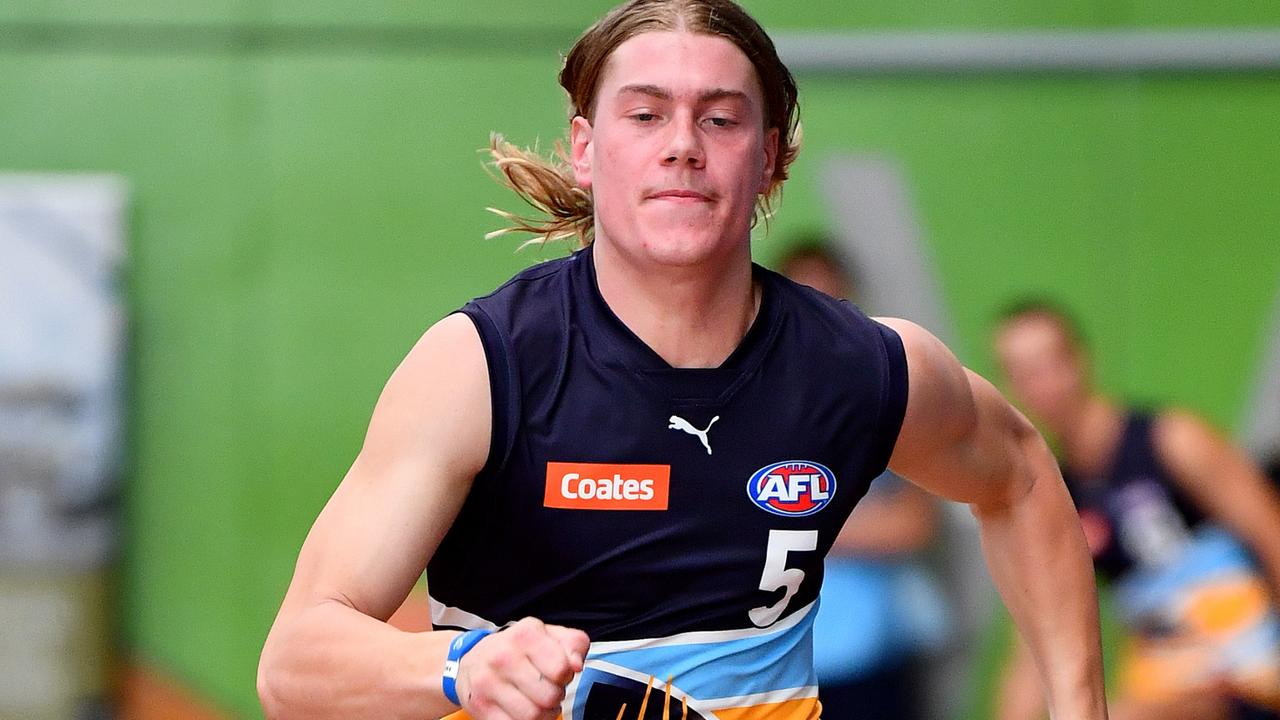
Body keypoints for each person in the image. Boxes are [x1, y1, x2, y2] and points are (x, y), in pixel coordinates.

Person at [257, 3, 1108, 720]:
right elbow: (294, 661)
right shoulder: (482, 367)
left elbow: (1022, 475)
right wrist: (462, 666)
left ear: (770, 154)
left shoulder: (857, 367)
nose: (683, 145)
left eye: (721, 117)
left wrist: (1078, 704)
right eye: (645, 113)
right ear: (586, 149)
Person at [993, 300, 1280, 720]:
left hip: (1250, 665)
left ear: (1081, 359)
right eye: (1022, 373)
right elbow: (1035, 647)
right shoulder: (1055, 501)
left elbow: (1270, 533)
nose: (1041, 384)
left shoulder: (1173, 440)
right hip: (1171, 674)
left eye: (1048, 363)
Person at [779, 240, 948, 720]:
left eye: (831, 304)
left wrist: (786, 521)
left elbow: (913, 523)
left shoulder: (883, 396)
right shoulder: (742, 404)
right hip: (768, 666)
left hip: (867, 658)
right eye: (804, 302)